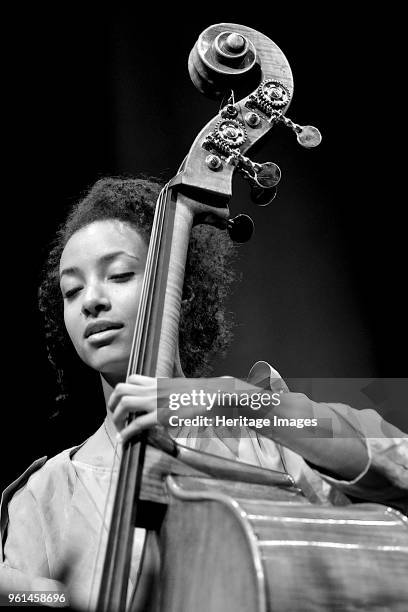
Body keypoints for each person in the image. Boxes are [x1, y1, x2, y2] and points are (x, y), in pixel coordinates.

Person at [0, 177, 407, 610]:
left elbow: (390, 460)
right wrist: (50, 597)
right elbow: (20, 591)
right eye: (72, 289)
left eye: (118, 275)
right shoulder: (43, 493)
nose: (91, 301)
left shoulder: (266, 429)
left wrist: (236, 400)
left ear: (180, 290)